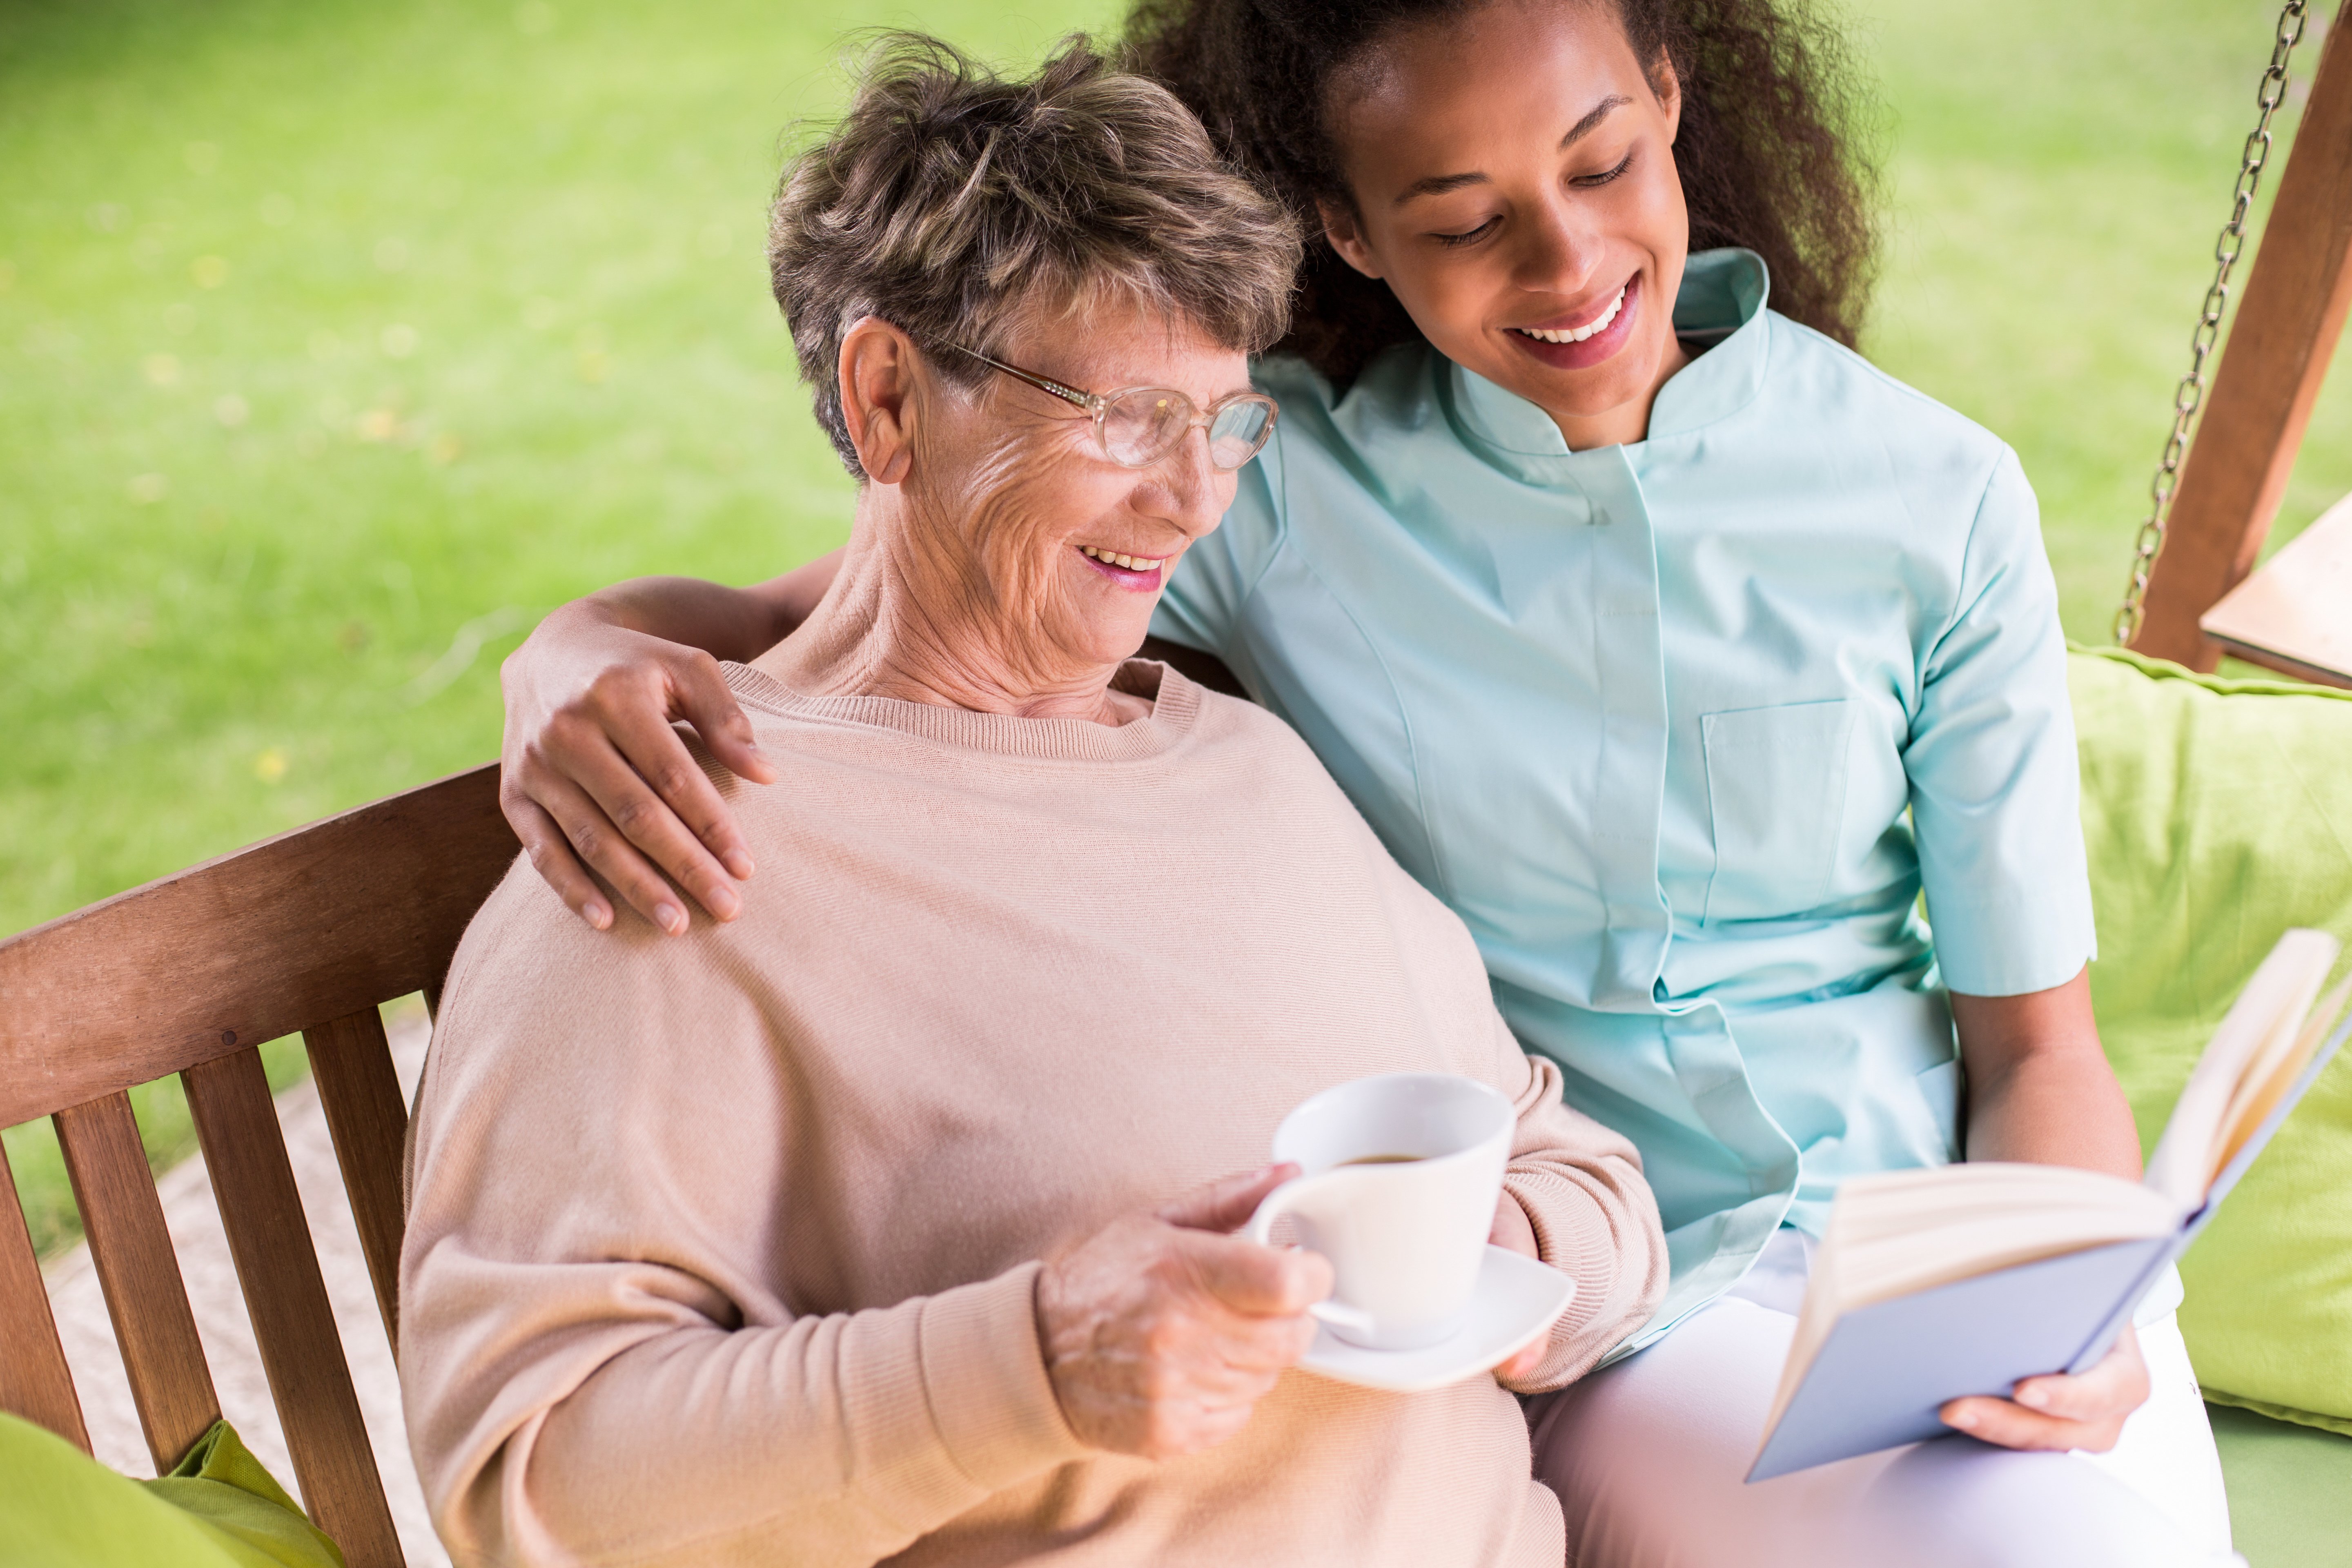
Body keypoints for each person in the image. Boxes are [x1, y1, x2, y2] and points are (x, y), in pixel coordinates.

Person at [488, 2, 2241, 1563]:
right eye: (1464, 220)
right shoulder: (1283, 487)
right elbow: (870, 605)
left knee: (2132, 1513)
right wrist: (565, 658)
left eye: (1608, 161)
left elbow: (2039, 1049)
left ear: (1673, 100)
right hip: (1631, 1323)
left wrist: (2063, 1303)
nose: (1566, 266)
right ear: (1353, 232)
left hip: (1955, 1246)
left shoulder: (1931, 495)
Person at [399, 38, 1667, 1568]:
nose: (1195, 498)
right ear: (889, 400)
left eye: (1223, 423)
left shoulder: (1246, 769)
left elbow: (1567, 1167)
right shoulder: (673, 836)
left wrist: (1506, 1260)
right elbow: (526, 1480)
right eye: (1127, 418)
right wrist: (1038, 1366)